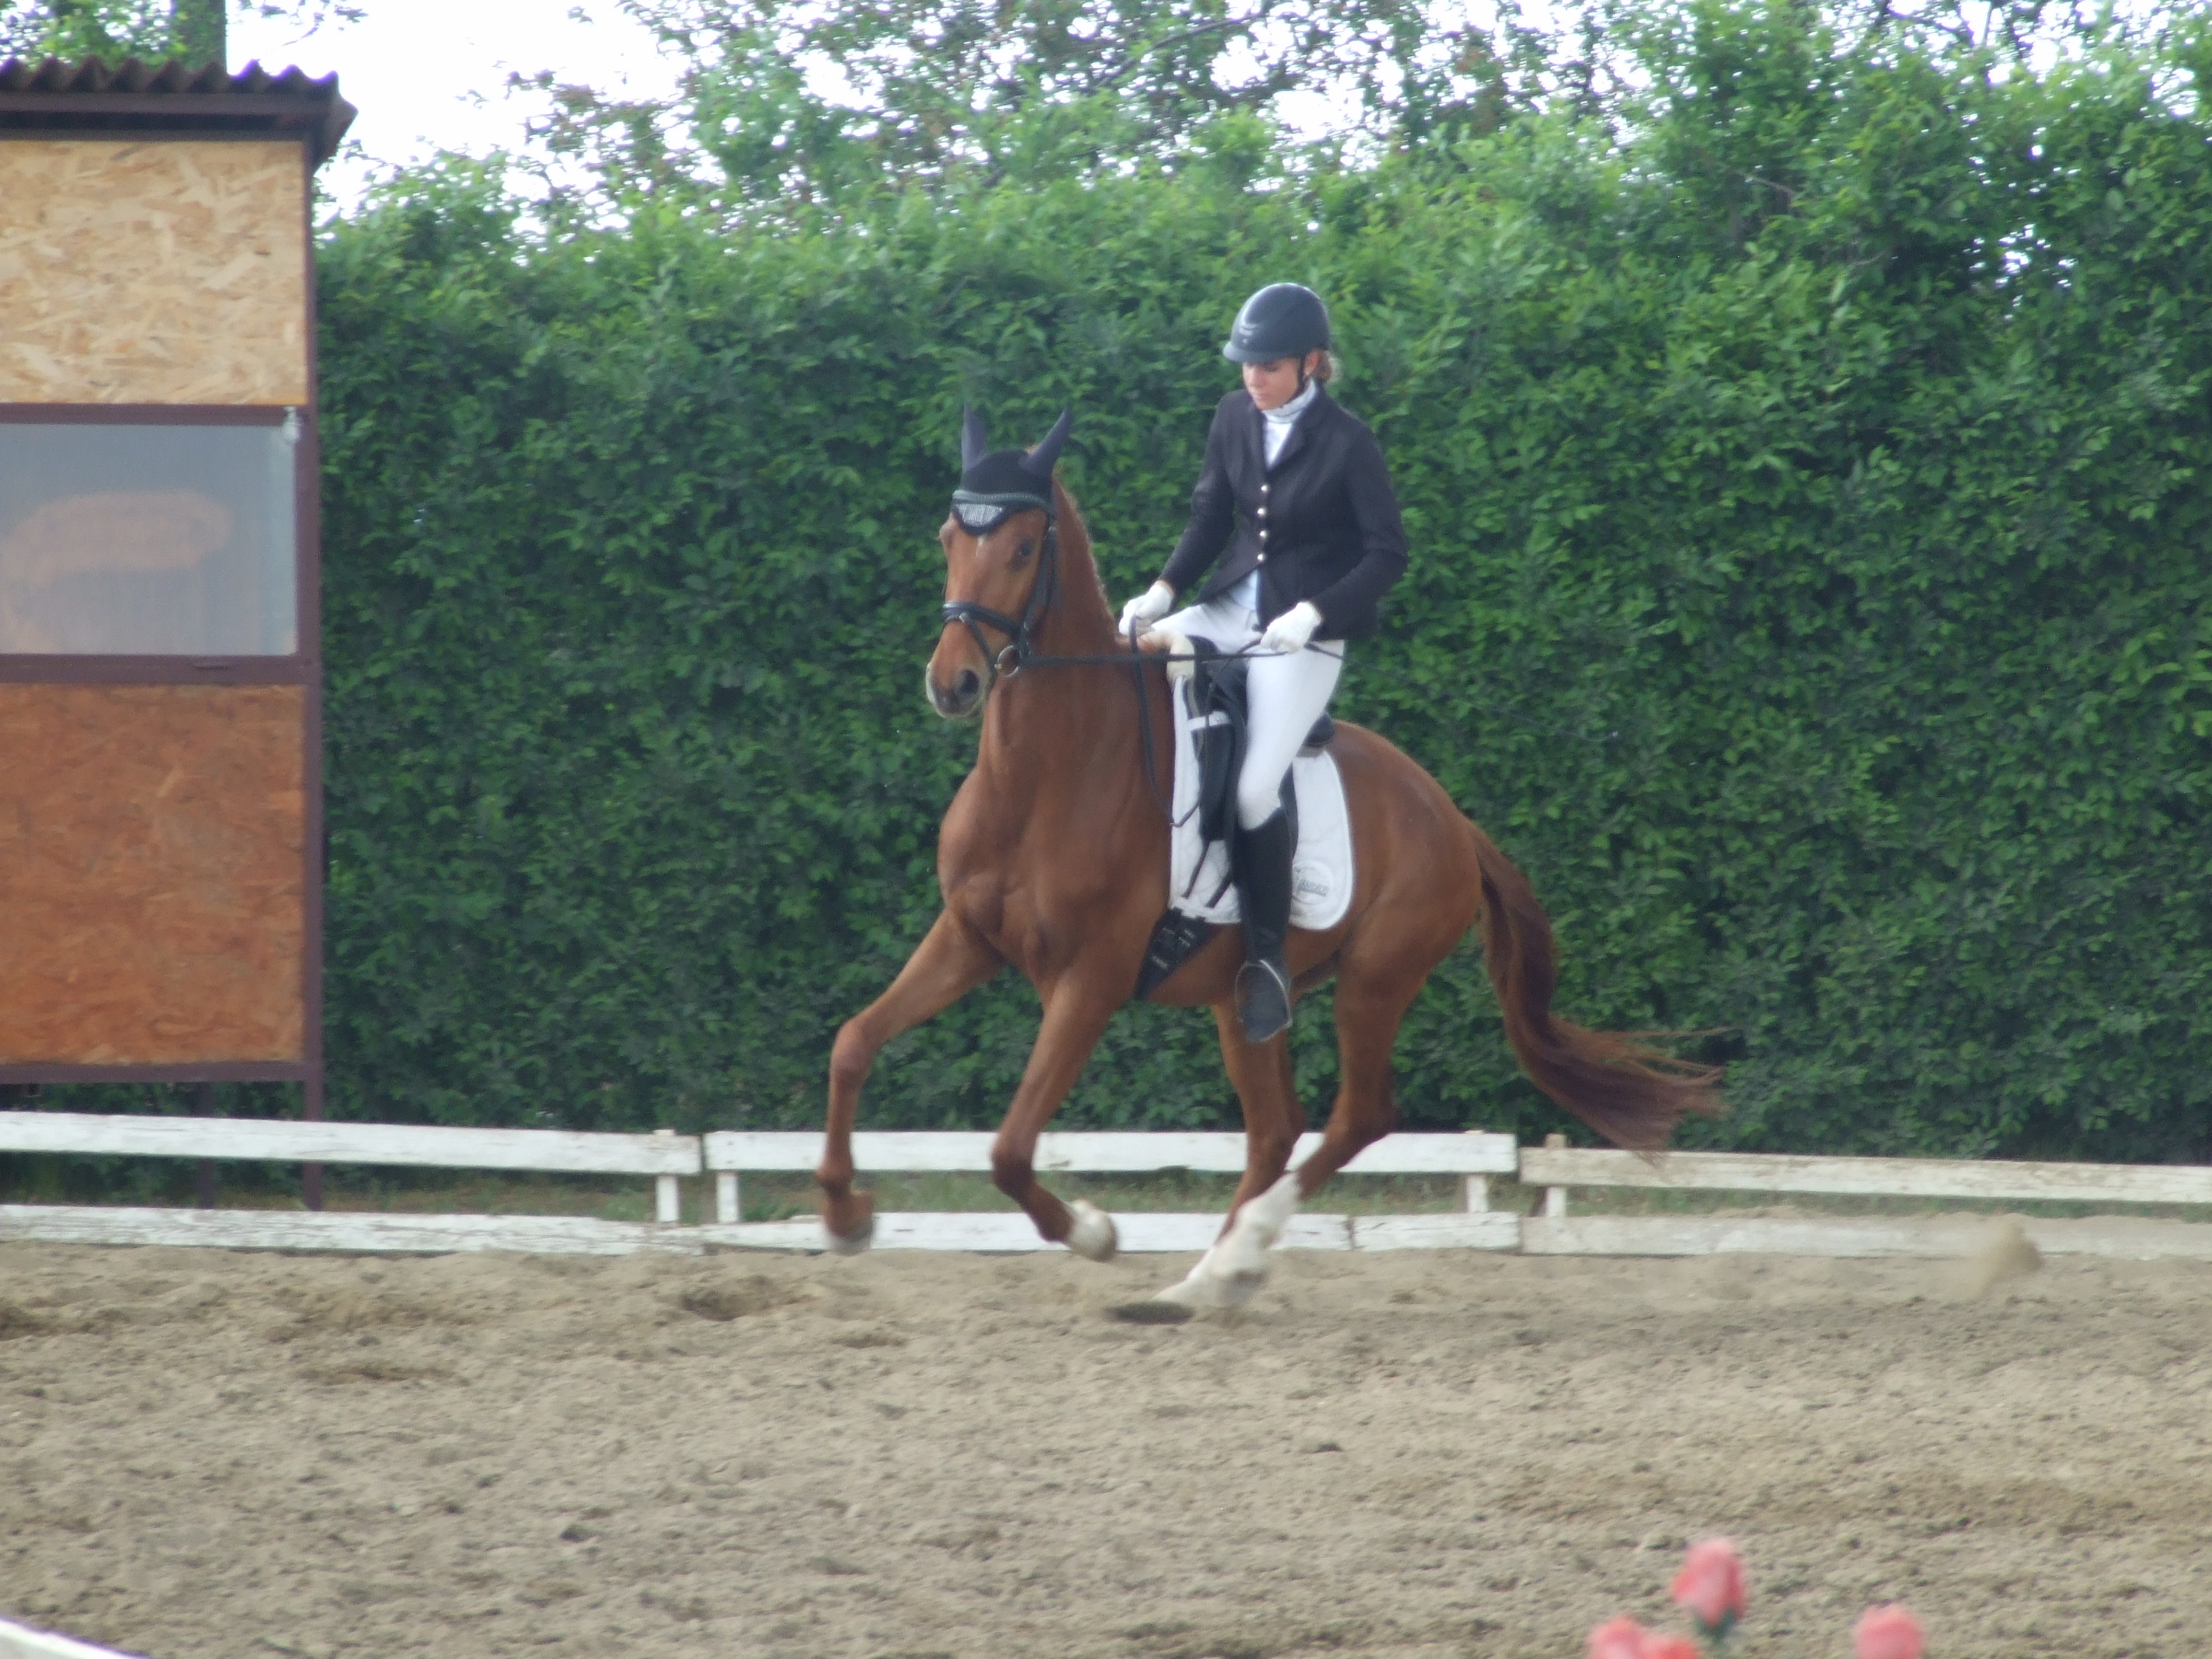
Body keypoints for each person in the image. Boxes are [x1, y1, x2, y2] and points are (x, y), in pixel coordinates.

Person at [1119, 283, 1409, 1043]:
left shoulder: (1349, 442)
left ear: (1311, 363)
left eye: (1269, 367)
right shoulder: (1232, 416)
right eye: (1246, 365)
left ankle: (1267, 960)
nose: (1253, 378)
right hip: (1225, 610)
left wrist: (1315, 613)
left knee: (1254, 790)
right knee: (1127, 671)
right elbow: (1210, 517)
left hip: (1303, 639)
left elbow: (1388, 553)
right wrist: (1161, 592)